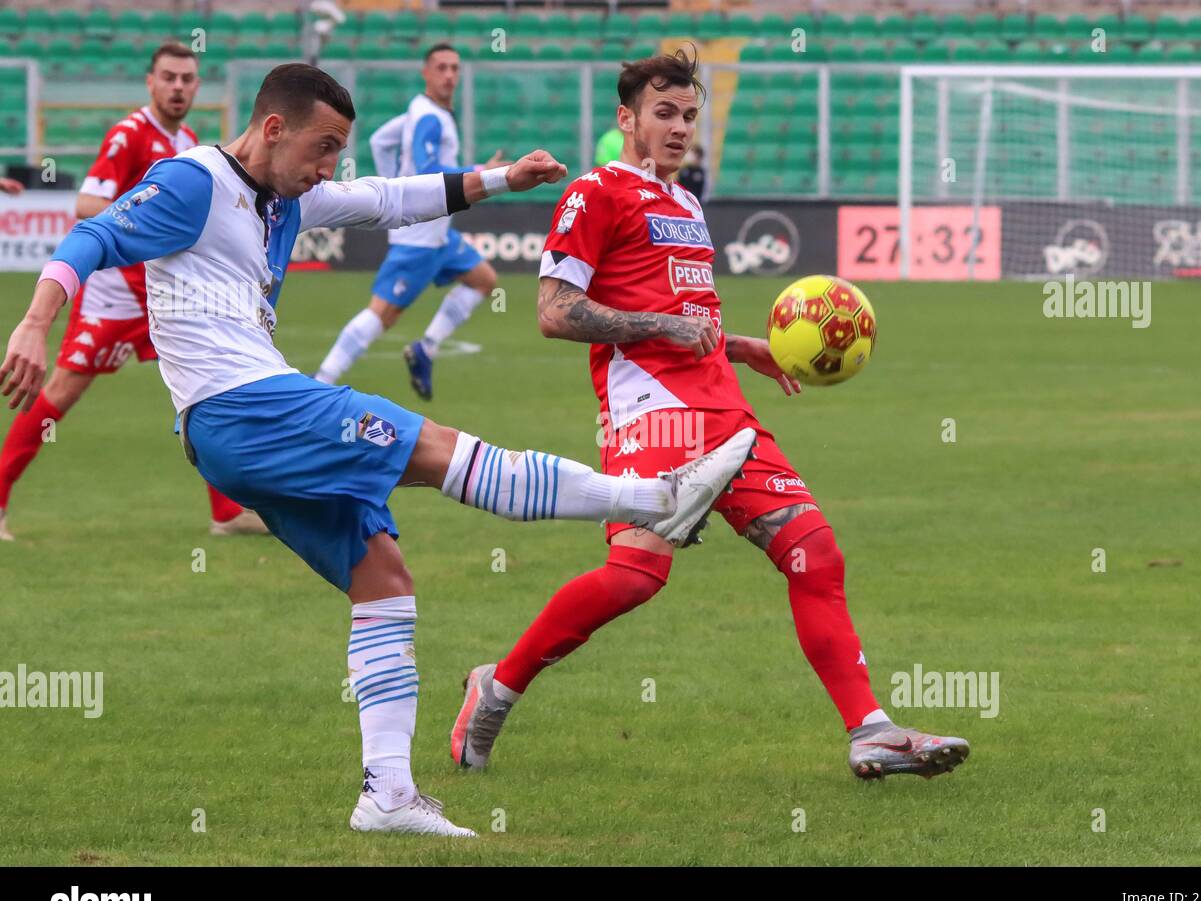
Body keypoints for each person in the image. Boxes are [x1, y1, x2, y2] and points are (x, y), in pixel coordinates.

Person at [1, 63, 754, 836]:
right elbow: (93, 233)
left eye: (337, 152)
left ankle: (387, 795)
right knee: (432, 449)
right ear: (272, 129)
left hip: (239, 426)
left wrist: (504, 178)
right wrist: (34, 320)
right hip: (243, 409)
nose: (329, 168)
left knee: (384, 578)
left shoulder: (287, 194)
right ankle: (655, 498)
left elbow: (391, 199)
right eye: (322, 148)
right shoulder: (194, 182)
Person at [450, 49, 971, 782]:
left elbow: (686, 311)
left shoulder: (687, 204)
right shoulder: (594, 195)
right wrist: (664, 329)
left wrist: (739, 345)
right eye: (664, 113)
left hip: (726, 411)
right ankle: (497, 687)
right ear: (626, 118)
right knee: (634, 578)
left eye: (690, 115)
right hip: (651, 417)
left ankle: (871, 730)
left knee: (815, 553)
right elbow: (554, 313)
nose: (679, 128)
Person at [0, 42, 263, 541]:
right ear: (151, 82)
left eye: (187, 79)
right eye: (169, 77)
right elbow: (86, 202)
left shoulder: (186, 139)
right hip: (114, 297)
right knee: (59, 394)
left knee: (208, 385)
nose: (179, 87)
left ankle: (227, 512)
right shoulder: (129, 135)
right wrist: (141, 215)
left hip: (162, 296)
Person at [314, 43, 508, 400]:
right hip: (418, 239)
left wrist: (394, 193)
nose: (449, 75)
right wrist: (482, 171)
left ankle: (425, 348)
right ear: (426, 73)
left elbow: (379, 141)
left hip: (439, 236)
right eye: (441, 68)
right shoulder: (430, 118)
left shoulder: (420, 112)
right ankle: (321, 383)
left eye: (454, 68)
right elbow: (429, 170)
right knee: (383, 315)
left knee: (484, 280)